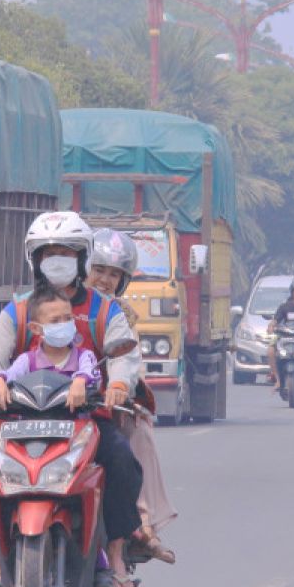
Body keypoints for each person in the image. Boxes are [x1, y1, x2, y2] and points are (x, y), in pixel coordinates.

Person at [0, 212, 144, 587]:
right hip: (20, 417)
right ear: (35, 260)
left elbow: (124, 356)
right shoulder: (19, 310)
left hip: (86, 418)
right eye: (48, 253)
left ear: (82, 257)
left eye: (66, 252)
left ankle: (117, 552)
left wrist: (120, 383)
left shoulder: (104, 309)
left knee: (122, 461)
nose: (57, 259)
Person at [0, 288, 101, 587]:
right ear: (37, 329)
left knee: (111, 468)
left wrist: (81, 381)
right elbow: (4, 374)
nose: (65, 324)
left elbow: (91, 375)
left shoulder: (83, 358)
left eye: (68, 318)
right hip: (26, 437)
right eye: (56, 320)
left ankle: (105, 550)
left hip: (73, 438)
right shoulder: (27, 361)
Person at [86, 228, 177, 565]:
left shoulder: (120, 314)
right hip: (52, 403)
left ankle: (143, 526)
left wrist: (121, 385)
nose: (105, 280)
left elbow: (126, 358)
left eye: (113, 274)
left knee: (138, 430)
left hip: (103, 404)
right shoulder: (56, 304)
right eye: (99, 270)